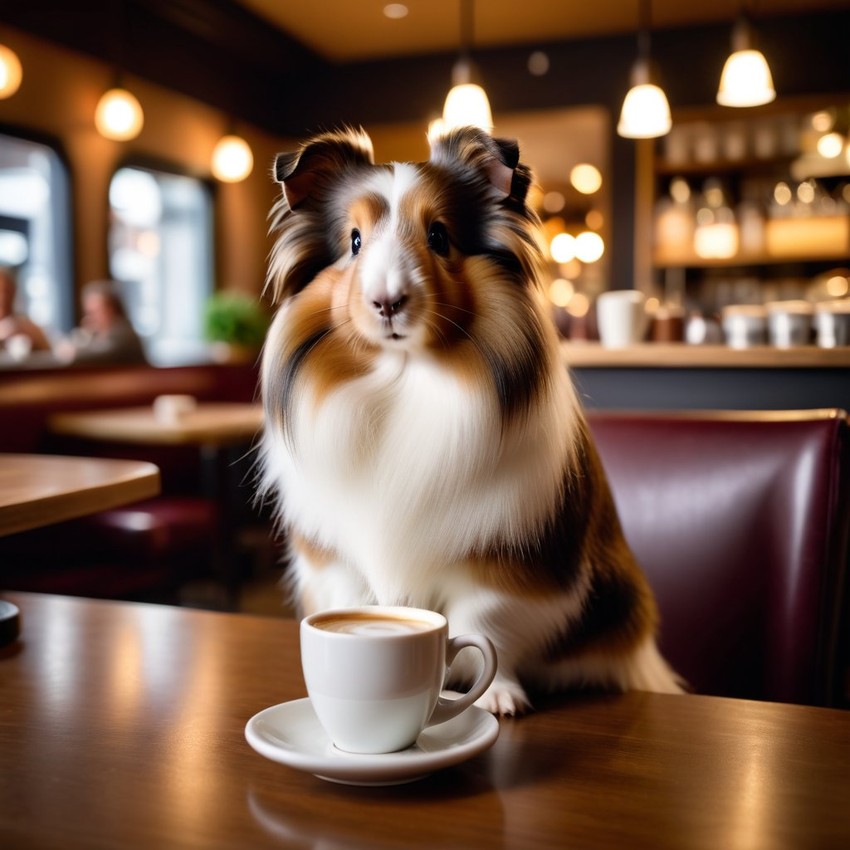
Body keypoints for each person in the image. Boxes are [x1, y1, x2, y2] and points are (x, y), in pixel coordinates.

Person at [56, 280, 148, 365]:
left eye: (94, 312)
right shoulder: (97, 333)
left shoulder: (123, 333)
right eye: (87, 313)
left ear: (111, 310)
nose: (89, 318)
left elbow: (100, 354)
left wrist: (73, 351)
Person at [0, 266, 51, 356]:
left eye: (6, 291)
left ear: (14, 292)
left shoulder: (27, 326)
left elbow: (50, 353)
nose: (3, 297)